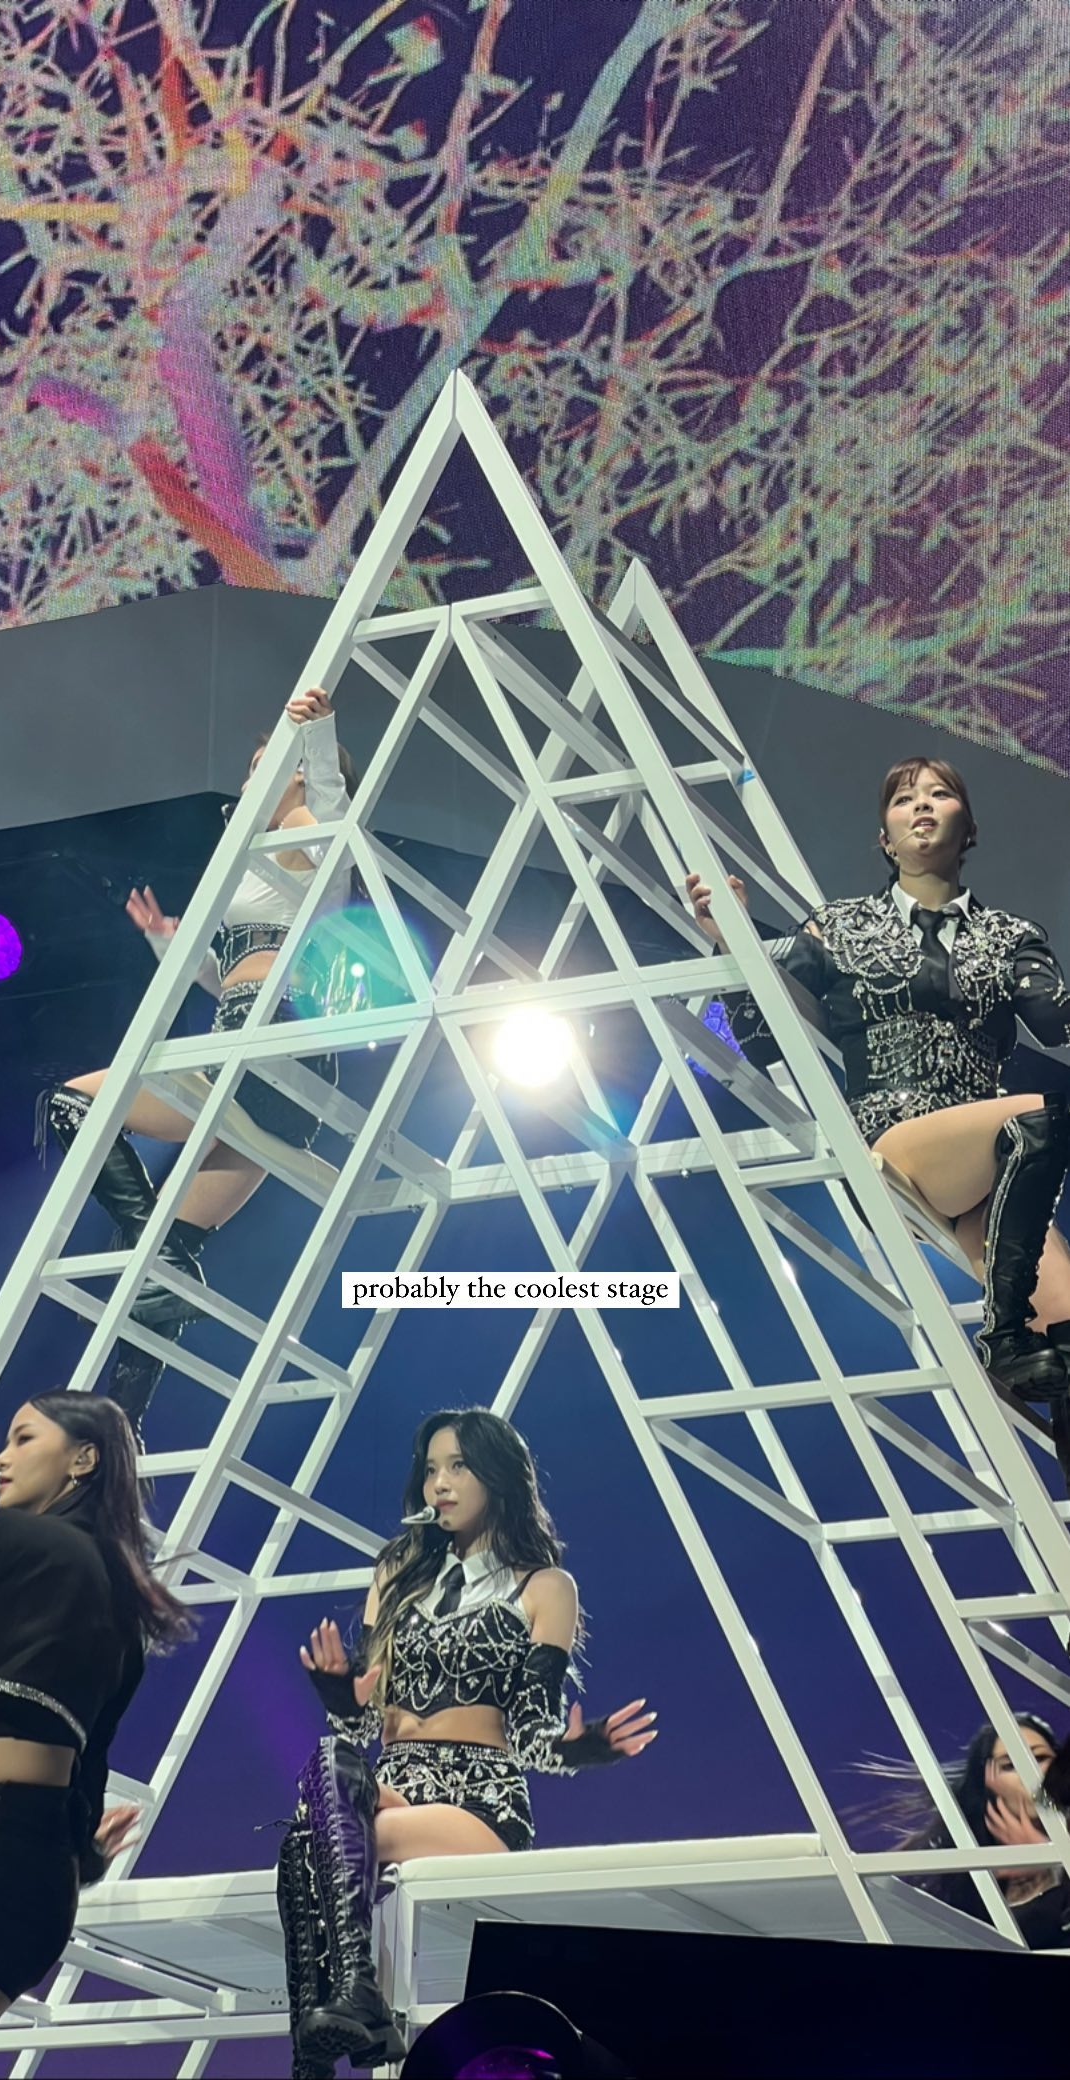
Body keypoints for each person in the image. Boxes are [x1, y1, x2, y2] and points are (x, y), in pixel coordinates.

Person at [281, 1408, 658, 2078]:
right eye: (431, 1470)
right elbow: (361, 1730)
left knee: (312, 1842)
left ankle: (321, 2048)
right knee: (330, 1765)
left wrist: (585, 1747)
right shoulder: (395, 1573)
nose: (440, 1484)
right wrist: (340, 1696)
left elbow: (533, 1738)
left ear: (498, 1476)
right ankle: (349, 2004)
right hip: (395, 1784)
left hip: (477, 1801)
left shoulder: (543, 1586)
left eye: (458, 1466)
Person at [687, 756, 1070, 1402]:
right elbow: (761, 1036)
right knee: (1046, 1116)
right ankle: (1004, 1338)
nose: (921, 805)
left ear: (968, 828)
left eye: (939, 794)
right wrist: (733, 939)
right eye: (903, 799)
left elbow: (1057, 1020)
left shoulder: (1010, 937)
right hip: (895, 1143)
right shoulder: (839, 927)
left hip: (992, 1172)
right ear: (886, 839)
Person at [39, 686, 357, 1438]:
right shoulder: (257, 862)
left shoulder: (307, 831)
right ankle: (123, 1430)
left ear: (298, 776)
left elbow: (332, 813)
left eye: (264, 767)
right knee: (164, 1252)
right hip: (269, 1060)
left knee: (74, 1102)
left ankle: (151, 1254)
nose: (248, 781)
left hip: (266, 1046)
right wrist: (167, 942)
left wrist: (318, 736)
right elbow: (231, 972)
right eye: (249, 768)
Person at [0, 1393, 193, 2079]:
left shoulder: (15, 1539)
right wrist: (81, 1855)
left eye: (23, 1438)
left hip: (1, 1876)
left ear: (82, 1460)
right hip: (27, 1877)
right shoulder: (120, 1600)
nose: (0, 1457)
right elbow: (89, 1769)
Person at [859, 1713, 1069, 1945]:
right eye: (1010, 1765)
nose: (1031, 1774)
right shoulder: (966, 1876)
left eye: (1040, 1758)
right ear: (988, 1784)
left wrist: (1050, 1861)